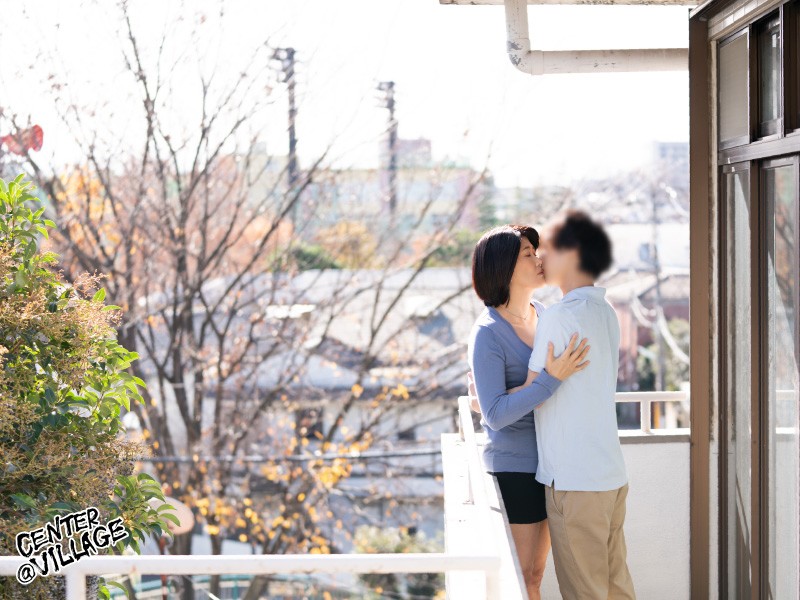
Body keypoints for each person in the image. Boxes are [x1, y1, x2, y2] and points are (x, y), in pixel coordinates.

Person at [467, 224, 590, 600]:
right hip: (514, 468)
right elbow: (496, 414)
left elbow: (503, 402)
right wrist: (548, 382)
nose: (538, 259)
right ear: (503, 266)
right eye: (527, 254)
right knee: (519, 577)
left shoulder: (546, 316)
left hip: (553, 464)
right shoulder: (488, 333)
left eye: (536, 251)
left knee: (536, 575)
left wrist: (519, 394)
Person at [518, 210, 636, 600]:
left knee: (585, 592)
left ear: (571, 253)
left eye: (547, 249)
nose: (540, 258)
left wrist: (487, 400)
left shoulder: (558, 317)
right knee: (616, 587)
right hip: (609, 473)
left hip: (574, 479)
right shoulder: (605, 311)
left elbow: (533, 395)